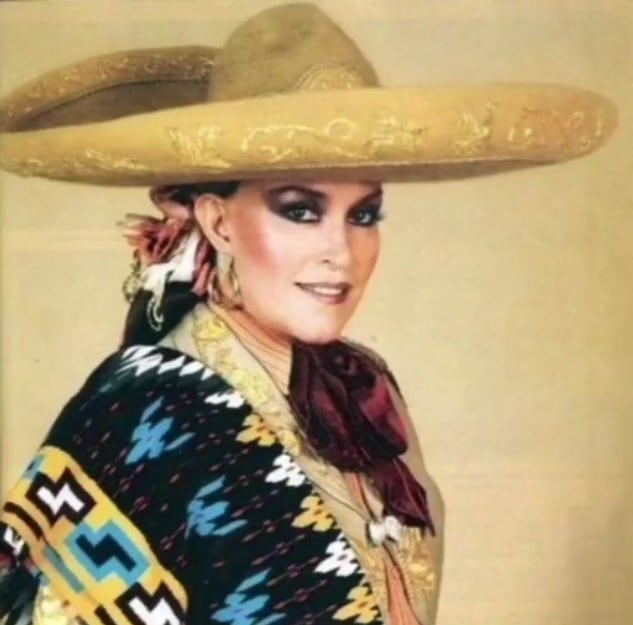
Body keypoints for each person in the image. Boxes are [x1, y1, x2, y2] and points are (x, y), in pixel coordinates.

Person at [0, 3, 616, 625]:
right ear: (218, 222)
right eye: (300, 210)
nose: (340, 252)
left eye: (363, 215)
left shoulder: (361, 387)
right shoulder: (140, 410)